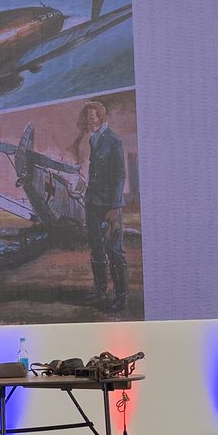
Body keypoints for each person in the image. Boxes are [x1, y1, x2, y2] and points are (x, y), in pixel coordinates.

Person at [75, 100, 127, 313]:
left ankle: (121, 296)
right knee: (96, 248)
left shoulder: (113, 140)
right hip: (92, 203)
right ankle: (100, 288)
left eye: (93, 117)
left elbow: (120, 175)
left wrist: (114, 206)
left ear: (101, 118)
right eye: (87, 118)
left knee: (114, 252)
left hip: (109, 205)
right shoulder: (93, 139)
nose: (90, 121)